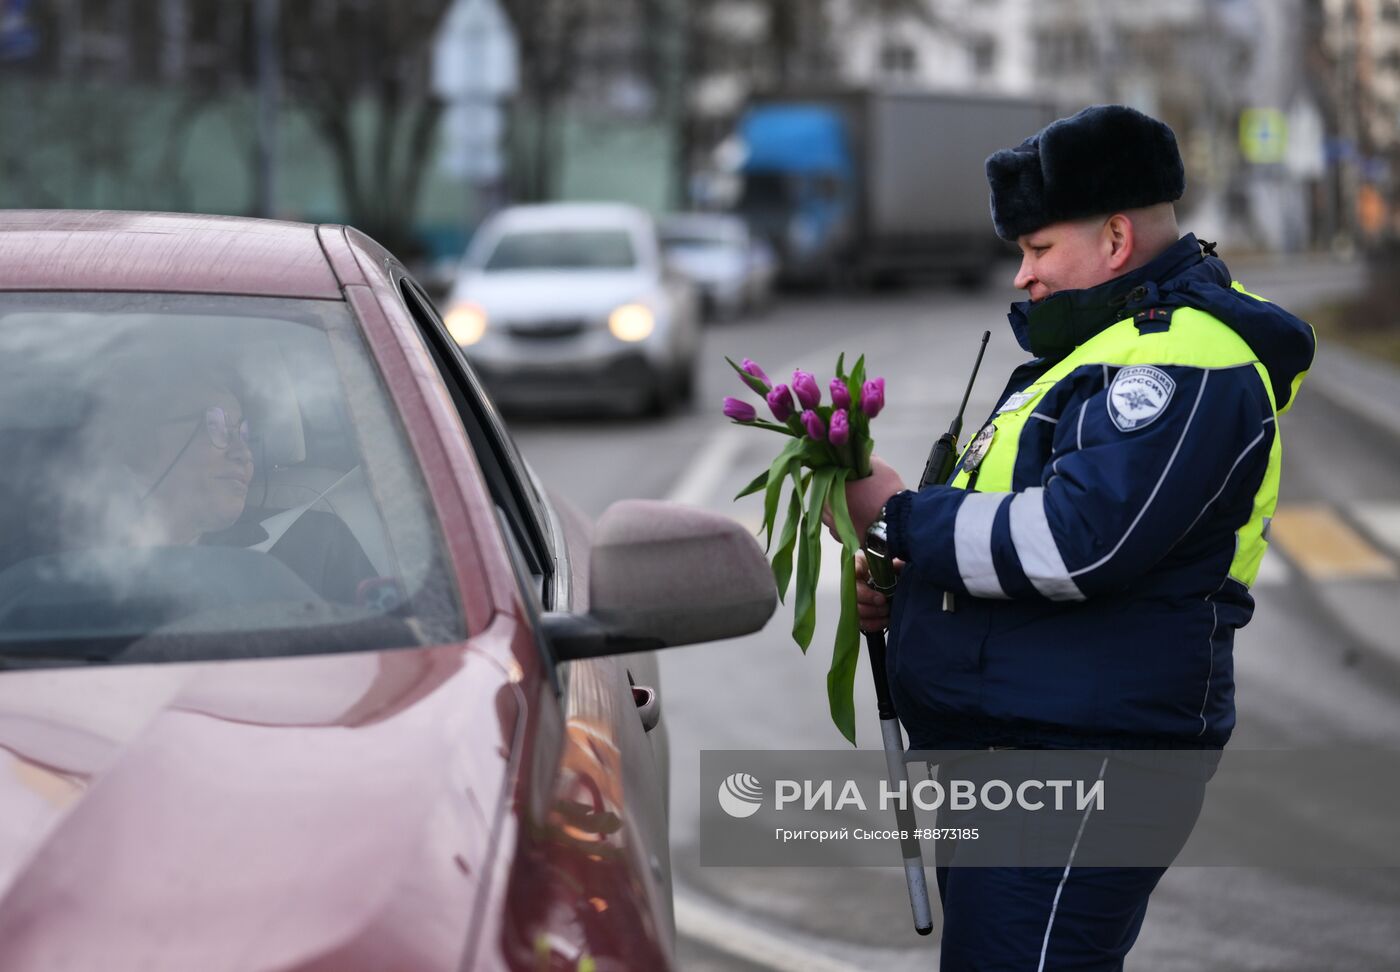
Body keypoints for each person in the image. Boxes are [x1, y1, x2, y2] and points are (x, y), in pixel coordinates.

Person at [840, 105, 1315, 969]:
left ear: (1118, 237)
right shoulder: (1102, 350)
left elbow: (1077, 542)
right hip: (1023, 752)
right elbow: (1002, 532)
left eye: (1037, 249)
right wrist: (906, 578)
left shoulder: (1184, 359)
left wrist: (909, 523)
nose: (1021, 275)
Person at [96, 363, 378, 604]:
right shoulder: (74, 554)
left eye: (243, 434)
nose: (242, 453)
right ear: (140, 446)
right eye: (214, 426)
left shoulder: (317, 545)